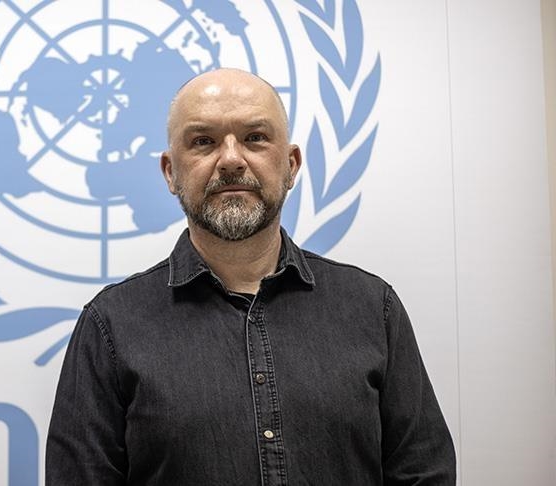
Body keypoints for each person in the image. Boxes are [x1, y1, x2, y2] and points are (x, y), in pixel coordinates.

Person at [46, 68, 456, 485]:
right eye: (203, 141)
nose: (230, 160)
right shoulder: (111, 325)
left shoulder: (372, 308)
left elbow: (424, 474)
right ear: (170, 172)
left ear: (291, 165)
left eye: (255, 137)